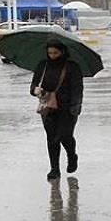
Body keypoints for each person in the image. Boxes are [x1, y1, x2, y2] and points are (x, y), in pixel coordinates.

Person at [30, 40, 84, 180]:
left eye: (55, 53)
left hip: (67, 108)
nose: (52, 56)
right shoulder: (43, 66)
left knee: (65, 135)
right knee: (52, 138)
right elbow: (33, 84)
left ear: (62, 52)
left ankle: (71, 155)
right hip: (48, 107)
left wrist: (76, 107)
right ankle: (54, 169)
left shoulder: (72, 67)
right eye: (50, 53)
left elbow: (77, 89)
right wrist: (35, 90)